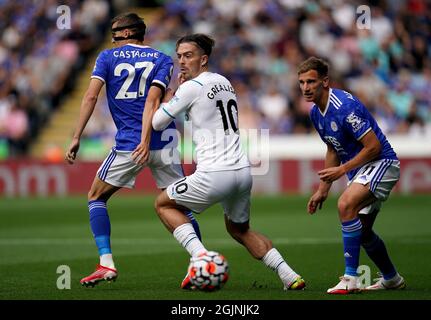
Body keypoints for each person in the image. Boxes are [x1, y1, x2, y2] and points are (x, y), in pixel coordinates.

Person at [150, 33, 305, 291]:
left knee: (163, 204)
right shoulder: (224, 82)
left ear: (204, 58)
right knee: (239, 230)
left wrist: (170, 96)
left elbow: (157, 122)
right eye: (179, 56)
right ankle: (289, 275)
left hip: (214, 172)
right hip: (241, 172)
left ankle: (201, 257)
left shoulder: (190, 88)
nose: (182, 62)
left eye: (188, 56)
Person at [65, 13, 202, 287]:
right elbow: (161, 99)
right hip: (165, 143)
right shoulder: (162, 59)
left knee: (95, 197)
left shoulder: (106, 58)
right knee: (180, 205)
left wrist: (76, 135)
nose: (113, 34)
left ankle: (106, 263)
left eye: (116, 30)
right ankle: (199, 262)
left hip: (131, 144)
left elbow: (91, 95)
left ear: (128, 33)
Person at [298, 56, 405, 294]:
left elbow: (373, 146)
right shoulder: (316, 112)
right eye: (302, 82)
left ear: (325, 82)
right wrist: (322, 189)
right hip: (362, 169)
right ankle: (392, 278)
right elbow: (332, 147)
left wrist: (342, 170)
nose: (305, 88)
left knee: (346, 204)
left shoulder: (344, 106)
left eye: (311, 82)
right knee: (364, 233)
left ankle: (350, 278)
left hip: (382, 163)